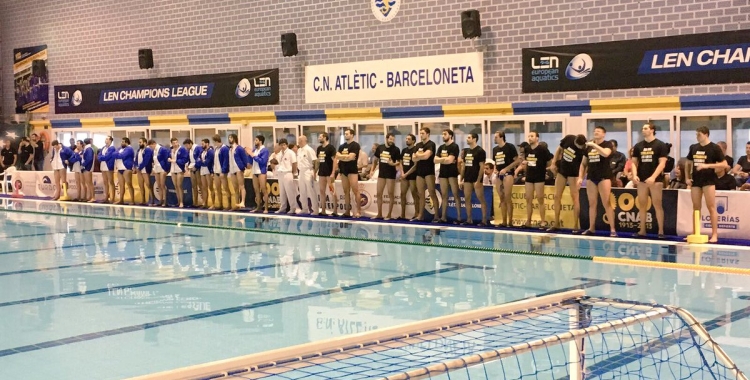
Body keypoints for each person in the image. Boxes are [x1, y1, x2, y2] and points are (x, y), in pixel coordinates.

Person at [686, 126, 727, 243]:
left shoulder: (714, 148)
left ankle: (714, 234)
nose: (697, 137)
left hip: (709, 180)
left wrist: (708, 165)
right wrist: (687, 177)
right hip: (696, 181)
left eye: (699, 134)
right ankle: (695, 232)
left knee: (711, 207)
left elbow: (724, 164)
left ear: (706, 134)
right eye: (696, 135)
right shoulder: (693, 147)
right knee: (696, 207)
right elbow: (688, 162)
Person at [630, 123, 669, 238]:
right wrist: (635, 175)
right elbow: (634, 162)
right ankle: (642, 230)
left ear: (652, 130)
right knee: (642, 205)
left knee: (657, 204)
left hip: (656, 180)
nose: (643, 130)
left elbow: (662, 163)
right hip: (642, 179)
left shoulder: (660, 145)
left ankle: (661, 231)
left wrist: (653, 177)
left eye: (646, 128)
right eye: (642, 128)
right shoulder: (638, 146)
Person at [579, 126, 617, 237]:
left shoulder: (607, 144)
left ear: (604, 134)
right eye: (594, 131)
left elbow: (605, 154)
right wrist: (581, 177)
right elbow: (583, 163)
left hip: (604, 177)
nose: (595, 132)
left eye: (598, 131)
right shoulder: (589, 147)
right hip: (591, 177)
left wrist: (594, 145)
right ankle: (591, 228)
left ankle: (613, 229)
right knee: (592, 204)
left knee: (607, 203)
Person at [548, 134, 586, 233]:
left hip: (574, 174)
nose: (579, 148)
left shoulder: (584, 149)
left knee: (575, 198)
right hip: (562, 171)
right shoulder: (569, 139)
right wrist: (553, 162)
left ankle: (575, 225)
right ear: (575, 141)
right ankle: (556, 223)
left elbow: (585, 165)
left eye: (580, 147)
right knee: (556, 196)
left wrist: (581, 177)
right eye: (578, 146)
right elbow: (558, 149)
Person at [515, 131, 552, 229]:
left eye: (532, 136)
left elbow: (549, 162)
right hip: (529, 177)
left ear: (537, 138)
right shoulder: (527, 149)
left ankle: (543, 221)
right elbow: (527, 162)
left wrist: (542, 169)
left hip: (539, 177)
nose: (530, 138)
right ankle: (528, 221)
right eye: (529, 136)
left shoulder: (542, 149)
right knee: (528, 199)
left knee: (540, 199)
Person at [369, 133, 401, 220]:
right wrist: (372, 170)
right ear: (386, 139)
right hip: (381, 173)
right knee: (379, 193)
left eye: (393, 139)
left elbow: (398, 162)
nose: (392, 141)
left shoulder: (396, 149)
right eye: (390, 139)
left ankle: (389, 214)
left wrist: (392, 164)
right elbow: (375, 159)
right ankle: (379, 213)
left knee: (391, 194)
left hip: (391, 173)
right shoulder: (380, 148)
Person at [459, 132, 487, 226]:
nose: (467, 139)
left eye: (469, 137)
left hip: (476, 178)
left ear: (474, 139)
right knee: (467, 198)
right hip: (467, 177)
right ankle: (469, 219)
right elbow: (463, 166)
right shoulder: (466, 151)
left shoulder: (480, 151)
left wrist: (479, 180)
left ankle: (484, 220)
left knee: (481, 198)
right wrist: (461, 179)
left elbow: (482, 167)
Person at [492, 131, 520, 227]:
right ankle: (504, 221)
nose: (494, 139)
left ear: (501, 137)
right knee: (502, 198)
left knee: (508, 198)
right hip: (499, 175)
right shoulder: (495, 149)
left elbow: (517, 160)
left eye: (496, 137)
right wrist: (495, 170)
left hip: (508, 174)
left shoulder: (510, 147)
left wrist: (506, 169)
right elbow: (496, 162)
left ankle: (510, 222)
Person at [434, 129, 461, 224]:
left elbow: (450, 160)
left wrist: (442, 160)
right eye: (442, 134)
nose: (443, 136)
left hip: (452, 173)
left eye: (445, 134)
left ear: (450, 135)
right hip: (443, 173)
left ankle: (459, 218)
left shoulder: (454, 146)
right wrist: (445, 159)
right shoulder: (441, 147)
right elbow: (435, 160)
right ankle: (443, 217)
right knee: (444, 195)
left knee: (455, 195)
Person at [412, 127, 439, 222]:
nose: (421, 135)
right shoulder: (418, 145)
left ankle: (436, 215)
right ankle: (420, 215)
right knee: (420, 194)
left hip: (429, 172)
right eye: (420, 133)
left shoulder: (431, 144)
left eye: (423, 133)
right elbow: (413, 159)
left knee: (432, 193)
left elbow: (427, 156)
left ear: (428, 134)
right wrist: (421, 156)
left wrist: (418, 156)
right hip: (419, 172)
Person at [336, 128, 361, 218]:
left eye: (347, 134)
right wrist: (346, 157)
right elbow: (337, 156)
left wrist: (342, 157)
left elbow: (351, 157)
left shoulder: (355, 145)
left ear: (352, 135)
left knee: (355, 191)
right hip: (343, 170)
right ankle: (347, 211)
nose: (345, 135)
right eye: (345, 134)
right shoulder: (342, 146)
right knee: (346, 191)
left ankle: (358, 211)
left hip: (352, 170)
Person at [315, 132, 338, 216]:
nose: (319, 138)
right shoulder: (319, 148)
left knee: (332, 191)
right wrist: (315, 172)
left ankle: (335, 210)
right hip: (321, 173)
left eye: (320, 137)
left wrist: (333, 172)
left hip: (329, 173)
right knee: (321, 191)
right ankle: (323, 210)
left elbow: (335, 160)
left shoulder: (331, 148)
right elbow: (318, 161)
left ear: (325, 137)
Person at [398, 133, 419, 220]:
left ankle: (416, 213)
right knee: (402, 194)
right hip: (404, 175)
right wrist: (402, 172)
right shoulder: (404, 150)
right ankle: (403, 214)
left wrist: (407, 174)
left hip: (412, 175)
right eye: (406, 139)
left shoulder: (415, 150)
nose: (407, 140)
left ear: (413, 141)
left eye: (409, 139)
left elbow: (415, 165)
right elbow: (401, 162)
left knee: (414, 194)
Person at [296, 135, 319, 215]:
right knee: (302, 191)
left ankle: (315, 209)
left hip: (308, 171)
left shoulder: (309, 149)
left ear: (304, 141)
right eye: (298, 140)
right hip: (301, 172)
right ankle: (304, 208)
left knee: (311, 191)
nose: (298, 142)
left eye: (300, 140)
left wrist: (314, 172)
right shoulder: (299, 150)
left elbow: (316, 161)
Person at [275, 138, 298, 214]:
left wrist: (294, 173)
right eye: (281, 145)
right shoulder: (279, 154)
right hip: (280, 173)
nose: (282, 146)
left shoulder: (291, 153)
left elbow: (294, 163)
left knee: (290, 192)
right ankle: (283, 207)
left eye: (284, 145)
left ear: (287, 145)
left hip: (288, 173)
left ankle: (293, 208)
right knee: (282, 192)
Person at [247, 135, 269, 213]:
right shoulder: (254, 150)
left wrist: (253, 155)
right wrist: (248, 155)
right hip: (254, 171)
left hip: (261, 172)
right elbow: (250, 162)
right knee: (256, 190)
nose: (254, 142)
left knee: (263, 189)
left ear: (260, 141)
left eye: (256, 140)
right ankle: (258, 207)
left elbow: (263, 162)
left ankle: (266, 208)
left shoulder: (264, 150)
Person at [228, 134, 249, 210]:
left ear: (234, 139)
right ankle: (237, 204)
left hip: (238, 168)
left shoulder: (239, 148)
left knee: (241, 186)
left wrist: (244, 167)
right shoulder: (230, 149)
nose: (229, 139)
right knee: (235, 188)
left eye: (231, 138)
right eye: (229, 138)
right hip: (232, 169)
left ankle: (242, 202)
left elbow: (244, 158)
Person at [168, 137, 189, 208]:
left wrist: (175, 161)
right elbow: (168, 158)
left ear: (178, 142)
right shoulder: (171, 150)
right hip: (173, 170)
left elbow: (185, 159)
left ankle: (181, 202)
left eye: (176, 142)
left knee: (179, 185)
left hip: (179, 169)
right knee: (176, 186)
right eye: (173, 143)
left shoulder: (182, 149)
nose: (175, 144)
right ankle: (178, 201)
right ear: (171, 143)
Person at [211, 134, 230, 210]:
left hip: (222, 172)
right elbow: (214, 161)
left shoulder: (224, 148)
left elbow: (226, 160)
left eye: (214, 142)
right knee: (217, 189)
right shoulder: (216, 149)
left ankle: (228, 205)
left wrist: (223, 171)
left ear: (216, 141)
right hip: (216, 171)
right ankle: (220, 204)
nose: (213, 144)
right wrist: (213, 171)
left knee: (225, 188)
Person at [149, 139, 170, 207]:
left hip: (162, 168)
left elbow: (166, 159)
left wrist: (167, 170)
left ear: (154, 144)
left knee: (162, 185)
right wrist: (153, 169)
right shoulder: (154, 151)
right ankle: (160, 200)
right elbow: (154, 161)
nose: (150, 148)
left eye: (151, 146)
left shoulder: (162, 149)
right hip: (157, 169)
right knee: (159, 185)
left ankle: (165, 201)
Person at [115, 137, 135, 204]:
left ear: (127, 142)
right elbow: (115, 154)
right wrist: (116, 154)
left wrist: (116, 154)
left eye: (123, 142)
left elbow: (122, 156)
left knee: (129, 184)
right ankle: (121, 200)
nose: (121, 143)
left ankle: (132, 200)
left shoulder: (129, 149)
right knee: (121, 185)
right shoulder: (120, 149)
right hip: (120, 168)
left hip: (126, 168)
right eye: (121, 142)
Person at [134, 137, 153, 206]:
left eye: (140, 142)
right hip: (139, 170)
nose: (139, 144)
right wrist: (135, 166)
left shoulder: (148, 150)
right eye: (139, 142)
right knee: (141, 185)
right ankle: (143, 200)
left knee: (148, 185)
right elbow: (136, 159)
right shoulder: (139, 150)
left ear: (145, 143)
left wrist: (140, 167)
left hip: (145, 169)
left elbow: (146, 160)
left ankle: (152, 200)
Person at [97, 136, 116, 203]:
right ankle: (106, 197)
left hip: (108, 166)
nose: (106, 140)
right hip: (103, 166)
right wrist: (102, 157)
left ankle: (112, 197)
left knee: (111, 182)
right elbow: (98, 156)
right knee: (105, 182)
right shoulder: (103, 148)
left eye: (107, 139)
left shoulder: (112, 148)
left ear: (110, 141)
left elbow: (107, 157)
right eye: (105, 139)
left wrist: (101, 157)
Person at [197, 138, 214, 209]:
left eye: (203, 144)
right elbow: (197, 160)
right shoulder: (202, 152)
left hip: (208, 171)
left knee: (210, 187)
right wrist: (202, 162)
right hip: (202, 170)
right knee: (204, 187)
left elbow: (207, 162)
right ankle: (205, 203)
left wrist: (201, 162)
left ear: (207, 144)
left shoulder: (210, 151)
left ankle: (213, 203)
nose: (202, 145)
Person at [185, 139, 203, 207]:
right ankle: (195, 202)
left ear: (190, 144)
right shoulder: (189, 150)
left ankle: (203, 201)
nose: (186, 147)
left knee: (200, 186)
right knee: (194, 186)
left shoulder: (197, 148)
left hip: (197, 168)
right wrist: (188, 165)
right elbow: (190, 159)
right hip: (192, 168)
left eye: (187, 145)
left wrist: (196, 166)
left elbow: (199, 158)